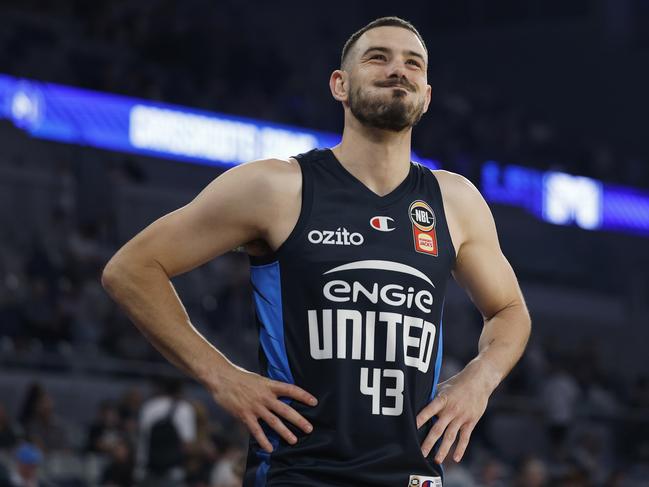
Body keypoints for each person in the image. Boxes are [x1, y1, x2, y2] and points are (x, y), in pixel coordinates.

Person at [101, 15, 531, 486]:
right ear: (339, 85)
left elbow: (509, 310)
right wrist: (221, 376)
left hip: (412, 474)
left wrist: (479, 381)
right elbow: (132, 269)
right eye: (378, 57)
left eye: (413, 63)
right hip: (302, 471)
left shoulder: (455, 200)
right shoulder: (276, 187)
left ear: (426, 96)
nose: (398, 70)